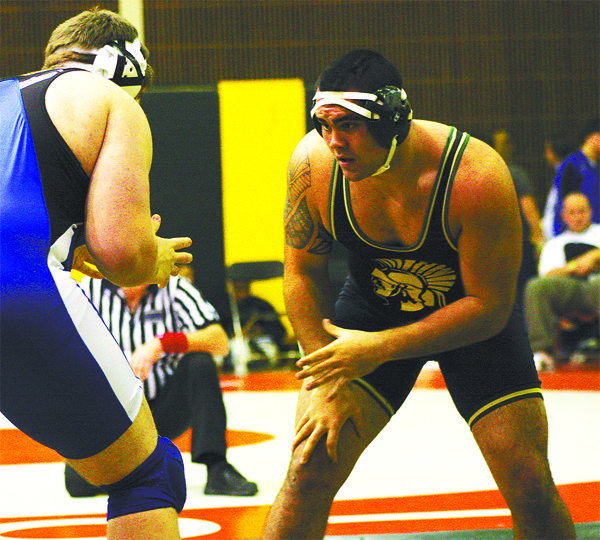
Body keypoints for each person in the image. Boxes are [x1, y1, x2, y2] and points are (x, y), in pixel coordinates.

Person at [263, 49, 575, 539]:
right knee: (308, 470)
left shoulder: (475, 177)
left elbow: (490, 308)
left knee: (529, 481)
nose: (333, 141)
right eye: (323, 124)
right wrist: (325, 377)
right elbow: (302, 270)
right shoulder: (313, 166)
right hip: (371, 308)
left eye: (347, 125)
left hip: (470, 321)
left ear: (392, 121)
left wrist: (382, 347)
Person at [0, 9, 193, 539]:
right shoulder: (107, 99)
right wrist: (149, 258)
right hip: (12, 287)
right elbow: (122, 253)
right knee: (147, 473)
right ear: (125, 66)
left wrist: (67, 248)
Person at [64, 274, 259, 497]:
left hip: (164, 410)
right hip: (112, 414)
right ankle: (131, 468)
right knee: (78, 484)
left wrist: (162, 343)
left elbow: (219, 342)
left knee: (200, 363)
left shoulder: (175, 287)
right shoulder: (88, 289)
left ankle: (217, 468)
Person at [524, 192, 600, 372]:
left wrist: (593, 257)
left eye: (582, 212)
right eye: (572, 213)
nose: (577, 217)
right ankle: (542, 352)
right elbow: (547, 276)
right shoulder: (555, 244)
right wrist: (573, 266)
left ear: (590, 212)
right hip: (574, 291)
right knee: (535, 286)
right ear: (564, 215)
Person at [550, 118, 600, 236]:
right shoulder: (572, 164)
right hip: (574, 233)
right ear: (592, 136)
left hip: (593, 231)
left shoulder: (595, 166)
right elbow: (563, 199)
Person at [226, 278, 288, 364]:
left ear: (248, 285)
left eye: (243, 285)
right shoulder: (224, 307)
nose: (240, 288)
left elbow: (280, 331)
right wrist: (233, 334)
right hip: (233, 344)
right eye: (237, 286)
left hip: (261, 340)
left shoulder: (261, 305)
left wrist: (262, 331)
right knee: (238, 348)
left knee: (270, 351)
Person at [541, 131, 578, 240]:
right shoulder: (561, 172)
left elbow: (560, 207)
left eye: (547, 150)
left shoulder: (568, 173)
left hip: (564, 236)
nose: (545, 155)